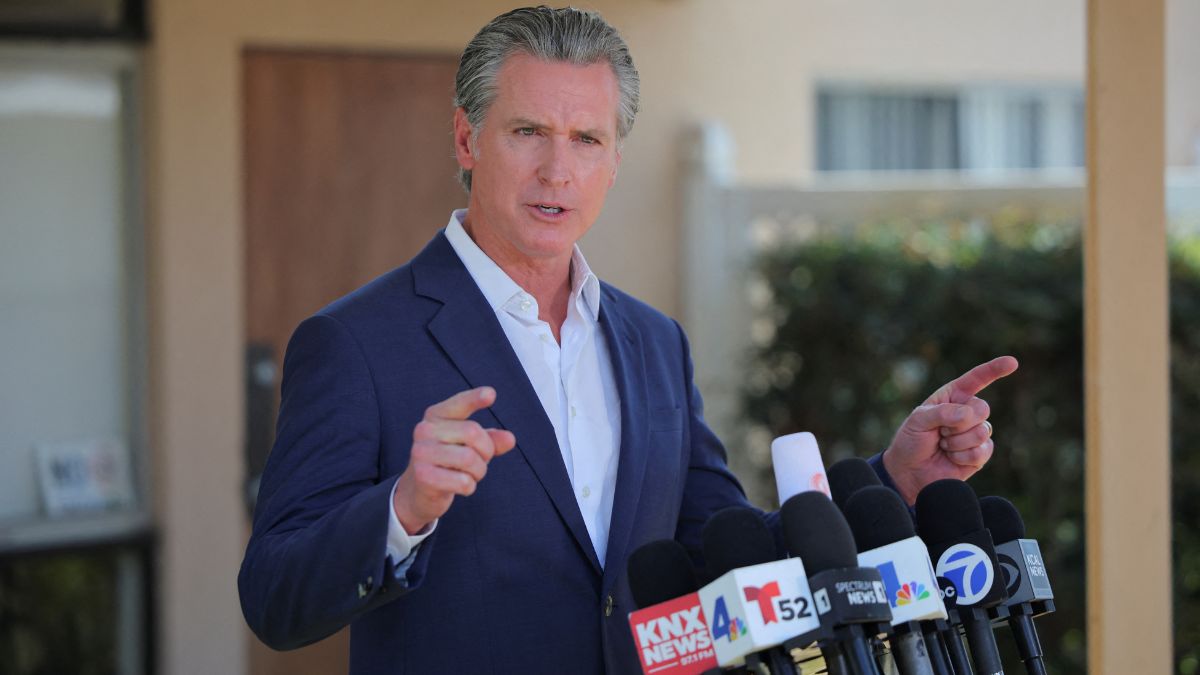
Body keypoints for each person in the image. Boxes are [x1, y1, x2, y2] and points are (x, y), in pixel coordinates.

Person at [238, 6, 1018, 673]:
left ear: (615, 161)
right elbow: (275, 596)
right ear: (467, 140)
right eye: (527, 131)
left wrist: (893, 478)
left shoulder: (652, 342)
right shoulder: (356, 341)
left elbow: (728, 550)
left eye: (586, 138)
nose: (557, 169)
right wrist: (403, 508)